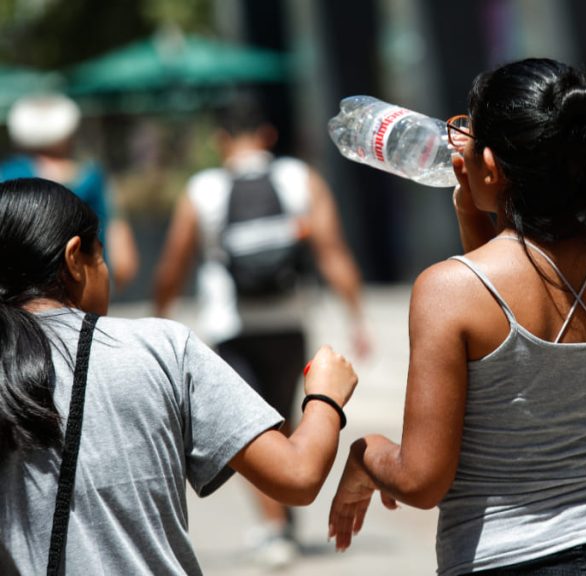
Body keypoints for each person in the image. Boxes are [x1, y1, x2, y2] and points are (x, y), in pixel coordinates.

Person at [327, 58, 586, 575]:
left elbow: (422, 480)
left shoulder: (448, 290)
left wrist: (364, 456)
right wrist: (474, 211)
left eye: (468, 130)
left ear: (490, 165)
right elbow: (529, 292)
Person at [0, 177, 357, 575]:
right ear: (74, 259)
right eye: (100, 257)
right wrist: (326, 396)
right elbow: (297, 475)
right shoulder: (159, 347)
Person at [153, 96, 370, 567]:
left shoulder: (203, 189)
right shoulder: (301, 179)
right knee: (283, 415)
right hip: (289, 322)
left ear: (220, 140)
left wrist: (159, 316)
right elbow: (333, 252)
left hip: (231, 326)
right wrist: (357, 319)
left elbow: (173, 264)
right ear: (268, 136)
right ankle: (282, 517)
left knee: (252, 427)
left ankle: (275, 528)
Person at [0, 93, 139, 292]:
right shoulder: (92, 177)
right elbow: (124, 261)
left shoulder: (6, 174)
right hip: (84, 289)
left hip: (18, 298)